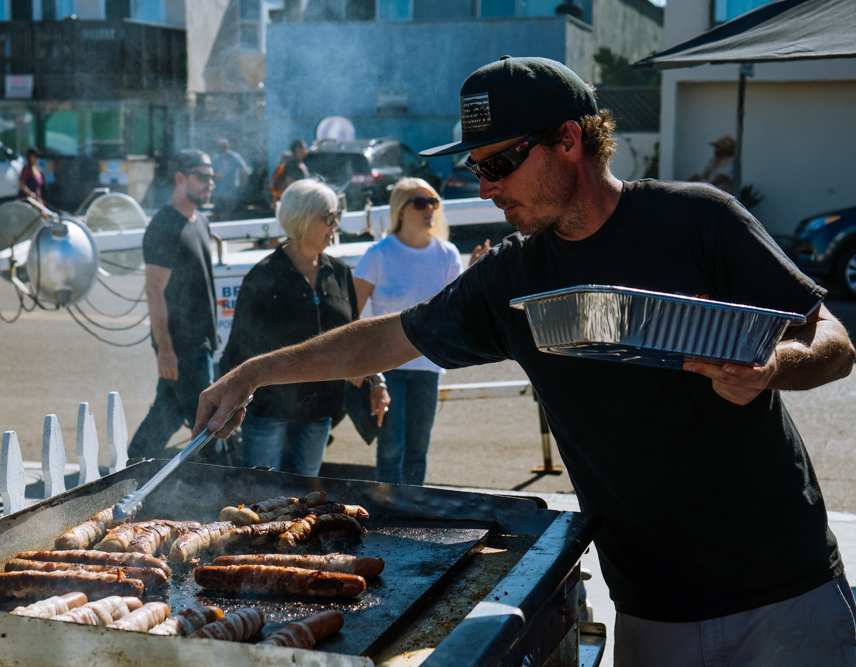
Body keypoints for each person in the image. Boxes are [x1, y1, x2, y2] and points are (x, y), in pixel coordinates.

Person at [195, 57, 856, 666]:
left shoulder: (701, 221)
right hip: (655, 609)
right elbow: (387, 338)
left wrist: (775, 366)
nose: (484, 188)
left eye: (500, 163)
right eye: (474, 169)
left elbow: (833, 340)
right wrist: (252, 371)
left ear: (569, 141)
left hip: (785, 590)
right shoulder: (512, 277)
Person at [219, 179, 388, 476]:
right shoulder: (262, 277)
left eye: (337, 216)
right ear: (303, 218)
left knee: (303, 501)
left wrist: (376, 381)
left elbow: (353, 335)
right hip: (269, 412)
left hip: (320, 411)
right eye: (330, 217)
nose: (336, 224)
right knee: (261, 498)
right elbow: (239, 348)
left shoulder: (338, 273)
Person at [352, 177, 461, 484]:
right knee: (391, 448)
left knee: (418, 449)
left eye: (433, 202)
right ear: (400, 209)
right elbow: (352, 312)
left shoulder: (448, 254)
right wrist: (363, 365)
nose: (429, 209)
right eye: (420, 202)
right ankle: (387, 513)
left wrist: (475, 275)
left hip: (428, 363)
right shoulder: (379, 253)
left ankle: (414, 514)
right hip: (388, 366)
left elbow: (454, 309)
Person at [127, 150, 219, 461]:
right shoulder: (164, 226)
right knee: (208, 425)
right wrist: (165, 349)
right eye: (202, 177)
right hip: (182, 347)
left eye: (212, 178)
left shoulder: (200, 221)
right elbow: (154, 291)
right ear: (180, 178)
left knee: (170, 412)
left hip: (202, 343)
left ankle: (134, 468)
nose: (210, 183)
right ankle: (215, 484)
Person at [211, 137, 251, 220]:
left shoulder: (234, 157)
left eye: (224, 146)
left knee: (230, 211)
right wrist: (216, 175)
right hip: (219, 190)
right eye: (220, 146)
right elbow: (212, 172)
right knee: (219, 210)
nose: (222, 148)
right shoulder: (216, 158)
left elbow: (245, 170)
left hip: (232, 188)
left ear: (227, 146)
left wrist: (243, 184)